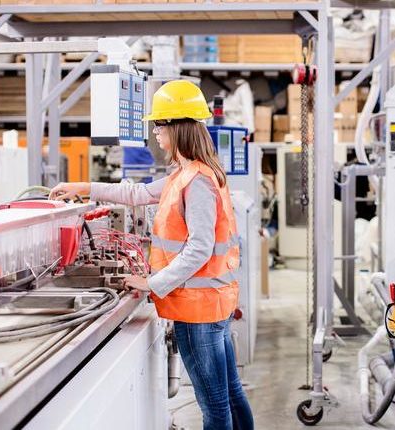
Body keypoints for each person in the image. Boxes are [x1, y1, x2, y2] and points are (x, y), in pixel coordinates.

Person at [50, 80, 254, 430]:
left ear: (179, 127)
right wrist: (83, 187)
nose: (156, 133)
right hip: (212, 302)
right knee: (231, 395)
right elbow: (139, 193)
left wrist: (152, 282)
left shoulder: (197, 181)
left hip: (198, 308)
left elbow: (200, 247)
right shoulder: (193, 173)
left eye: (160, 125)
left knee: (216, 406)